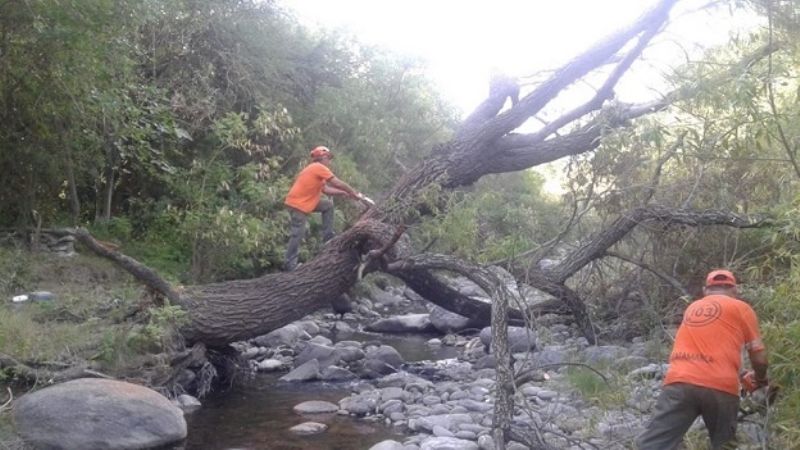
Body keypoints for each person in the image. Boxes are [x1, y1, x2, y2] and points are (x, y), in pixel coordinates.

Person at [636, 269, 769, 450]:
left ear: (706, 290)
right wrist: (760, 380)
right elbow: (759, 358)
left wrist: (742, 373)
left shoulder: (691, 308)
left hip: (679, 381)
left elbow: (706, 353)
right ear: (735, 290)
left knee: (653, 445)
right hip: (722, 388)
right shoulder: (742, 308)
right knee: (724, 445)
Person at [283, 146, 362, 271]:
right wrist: (353, 193)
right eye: (328, 158)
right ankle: (289, 265)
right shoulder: (318, 167)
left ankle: (328, 238)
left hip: (305, 203)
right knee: (297, 234)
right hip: (298, 204)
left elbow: (326, 189)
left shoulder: (314, 169)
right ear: (322, 157)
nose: (329, 161)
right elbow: (337, 182)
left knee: (328, 206)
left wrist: (343, 193)